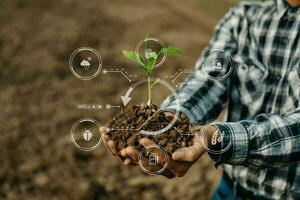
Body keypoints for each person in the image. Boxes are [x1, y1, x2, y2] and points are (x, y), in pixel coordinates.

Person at [101, 0, 300, 199]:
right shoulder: (245, 14)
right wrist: (173, 119)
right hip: (231, 189)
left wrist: (219, 138)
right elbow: (210, 78)